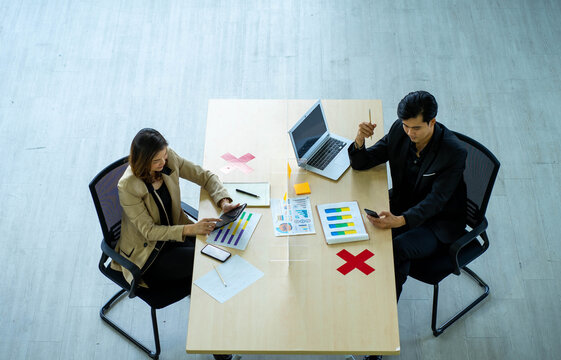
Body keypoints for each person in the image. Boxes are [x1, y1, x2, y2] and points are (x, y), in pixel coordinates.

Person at [348, 91, 467, 360]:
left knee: (396, 250)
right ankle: (373, 308)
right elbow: (363, 162)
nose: (409, 133)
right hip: (403, 205)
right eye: (405, 126)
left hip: (439, 223)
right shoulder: (399, 131)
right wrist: (359, 140)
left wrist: (400, 220)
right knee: (363, 227)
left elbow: (437, 201)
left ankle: (381, 330)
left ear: (432, 122)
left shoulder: (453, 152)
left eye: (416, 127)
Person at [113, 128, 236, 360]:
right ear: (142, 161)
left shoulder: (168, 157)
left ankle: (222, 329)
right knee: (207, 268)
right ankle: (219, 347)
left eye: (164, 156)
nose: (163, 162)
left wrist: (223, 200)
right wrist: (191, 229)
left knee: (221, 253)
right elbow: (149, 232)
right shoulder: (128, 186)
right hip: (150, 255)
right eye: (156, 160)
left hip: (176, 235)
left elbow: (204, 176)